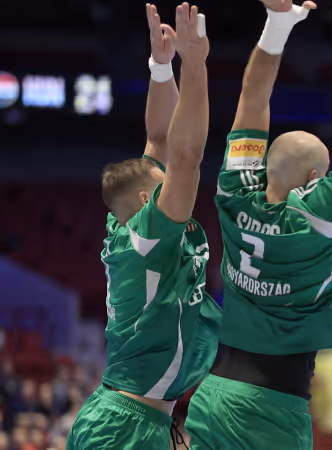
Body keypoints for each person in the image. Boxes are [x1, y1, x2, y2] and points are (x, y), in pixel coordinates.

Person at [183, 0, 332, 448]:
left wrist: (276, 25)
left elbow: (253, 98)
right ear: (315, 178)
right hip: (274, 408)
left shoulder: (235, 189)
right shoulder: (319, 215)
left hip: (213, 394)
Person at [67, 3, 220, 449]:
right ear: (143, 202)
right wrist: (195, 65)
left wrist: (161, 65)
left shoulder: (135, 229)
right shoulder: (148, 234)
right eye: (162, 182)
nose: (171, 183)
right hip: (125, 427)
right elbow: (187, 157)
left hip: (130, 418)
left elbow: (159, 139)